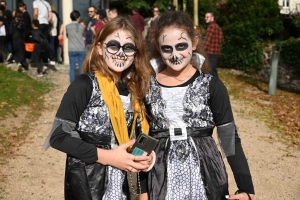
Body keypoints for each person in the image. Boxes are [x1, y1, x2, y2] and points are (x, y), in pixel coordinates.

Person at [145, 11, 254, 200]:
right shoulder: (146, 85)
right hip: (159, 173)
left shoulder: (212, 85)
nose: (175, 54)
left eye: (181, 46)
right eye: (167, 49)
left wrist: (246, 188)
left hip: (205, 171)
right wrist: (142, 190)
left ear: (194, 43)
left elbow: (229, 139)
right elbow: (142, 137)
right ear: (158, 47)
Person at [43, 16, 154, 199]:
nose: (120, 52)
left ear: (135, 53)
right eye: (113, 45)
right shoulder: (84, 85)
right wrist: (110, 157)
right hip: (90, 187)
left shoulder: (137, 92)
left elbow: (139, 144)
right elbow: (58, 136)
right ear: (100, 49)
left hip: (126, 189)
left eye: (128, 47)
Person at [65, 10, 86, 83]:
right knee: (81, 67)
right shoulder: (82, 27)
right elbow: (83, 36)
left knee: (72, 67)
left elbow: (67, 36)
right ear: (78, 17)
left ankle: (72, 84)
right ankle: (82, 83)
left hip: (71, 48)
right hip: (81, 48)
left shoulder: (67, 26)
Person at [32, 0, 55, 65]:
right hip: (46, 24)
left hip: (39, 23)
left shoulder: (36, 2)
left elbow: (35, 13)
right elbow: (50, 16)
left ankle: (39, 59)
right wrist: (46, 20)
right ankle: (46, 59)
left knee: (38, 41)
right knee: (45, 41)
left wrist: (34, 21)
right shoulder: (47, 3)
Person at [204, 12, 224, 78]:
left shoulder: (211, 26)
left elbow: (207, 41)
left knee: (210, 70)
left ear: (212, 18)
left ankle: (214, 86)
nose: (205, 18)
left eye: (207, 17)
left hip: (210, 52)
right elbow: (221, 40)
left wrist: (202, 50)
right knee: (213, 70)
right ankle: (217, 85)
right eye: (205, 17)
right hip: (216, 53)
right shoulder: (218, 27)